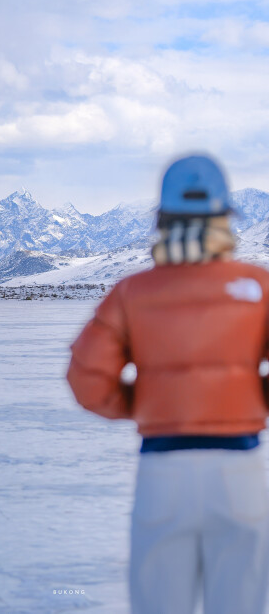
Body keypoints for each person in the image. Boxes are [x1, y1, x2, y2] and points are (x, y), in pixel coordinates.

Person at [66, 154, 269, 614]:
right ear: (224, 217)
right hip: (239, 470)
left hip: (163, 468)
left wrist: (143, 405)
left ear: (162, 219)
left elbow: (86, 379)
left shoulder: (133, 292)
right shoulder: (258, 286)